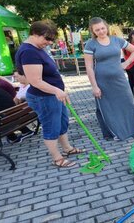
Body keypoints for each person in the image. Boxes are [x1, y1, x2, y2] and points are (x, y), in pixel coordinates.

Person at [15, 20, 84, 167]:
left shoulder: (37, 48)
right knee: (51, 126)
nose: (49, 42)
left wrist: (59, 91)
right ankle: (57, 158)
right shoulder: (29, 52)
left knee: (62, 122)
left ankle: (67, 148)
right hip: (43, 97)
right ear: (34, 33)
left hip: (53, 95)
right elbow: (35, 81)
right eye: (47, 38)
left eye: (51, 39)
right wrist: (56, 90)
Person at [84, 17, 134, 141]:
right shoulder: (91, 44)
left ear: (106, 27)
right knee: (108, 107)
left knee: (128, 103)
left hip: (119, 79)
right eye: (97, 30)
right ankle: (114, 133)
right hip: (102, 81)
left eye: (103, 28)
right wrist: (94, 86)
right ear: (93, 31)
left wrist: (126, 63)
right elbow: (89, 67)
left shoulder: (117, 40)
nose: (101, 31)